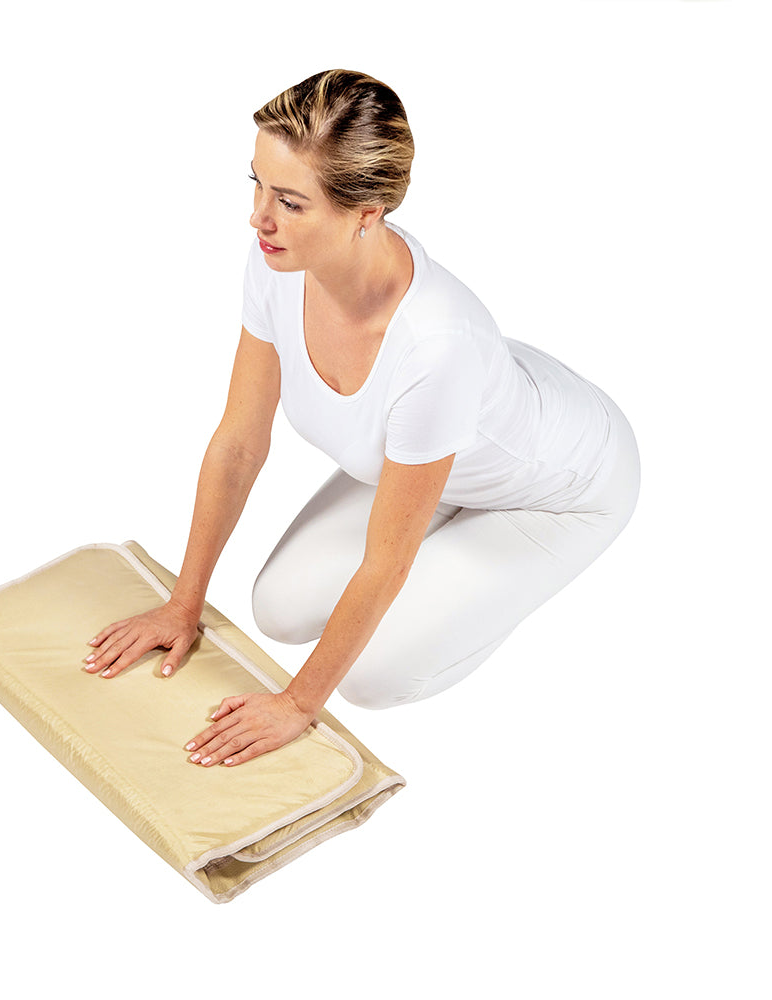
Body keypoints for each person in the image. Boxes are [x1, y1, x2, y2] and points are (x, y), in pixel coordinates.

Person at [82, 69, 640, 768]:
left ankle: (496, 595)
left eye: (289, 200)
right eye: (255, 184)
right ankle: (452, 551)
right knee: (279, 610)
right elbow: (239, 442)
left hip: (561, 491)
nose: (259, 217)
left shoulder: (436, 348)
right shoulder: (278, 260)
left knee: (372, 679)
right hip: (446, 434)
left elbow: (387, 561)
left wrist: (297, 703)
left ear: (367, 211)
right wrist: (180, 605)